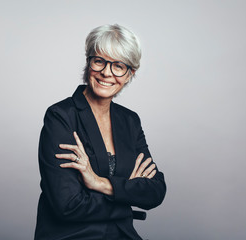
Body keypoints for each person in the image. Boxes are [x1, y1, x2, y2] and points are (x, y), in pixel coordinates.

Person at [34, 24, 167, 240]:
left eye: (118, 66)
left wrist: (98, 183)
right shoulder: (61, 117)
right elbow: (67, 205)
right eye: (99, 61)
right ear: (88, 63)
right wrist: (127, 200)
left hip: (121, 234)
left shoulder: (129, 121)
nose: (106, 72)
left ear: (130, 73)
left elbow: (155, 191)